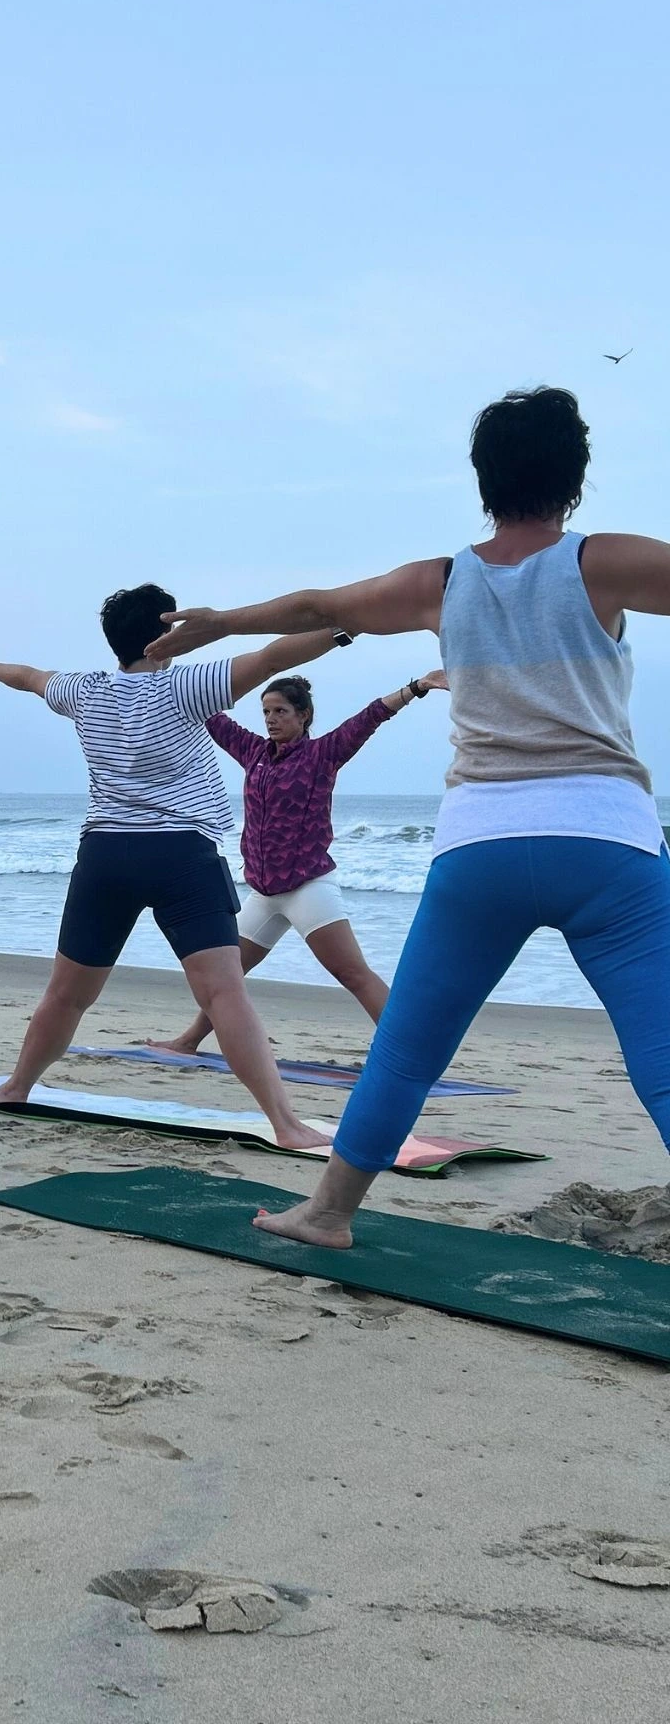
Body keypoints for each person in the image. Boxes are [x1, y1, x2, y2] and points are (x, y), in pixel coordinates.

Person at [150, 386, 670, 1247]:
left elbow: (321, 607)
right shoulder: (599, 562)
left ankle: (328, 1214)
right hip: (605, 840)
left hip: (481, 850)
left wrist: (222, 622)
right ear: (574, 477)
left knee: (407, 1052)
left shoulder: (443, 582)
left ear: (483, 479)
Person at [0, 585, 347, 1149]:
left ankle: (16, 1085)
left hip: (106, 855)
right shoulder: (188, 684)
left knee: (67, 994)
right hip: (182, 855)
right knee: (223, 994)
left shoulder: (83, 690)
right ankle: (286, 1123)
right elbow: (277, 656)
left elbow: (28, 676)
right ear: (164, 634)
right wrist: (347, 626)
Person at [150, 664, 446, 1055]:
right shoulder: (253, 751)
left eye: (280, 712)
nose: (271, 720)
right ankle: (189, 1040)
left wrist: (417, 687)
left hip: (308, 888)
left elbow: (371, 716)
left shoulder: (323, 754)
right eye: (267, 712)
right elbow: (209, 715)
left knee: (352, 973)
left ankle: (411, 1052)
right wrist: (162, 675)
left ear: (303, 715)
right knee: (227, 976)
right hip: (264, 891)